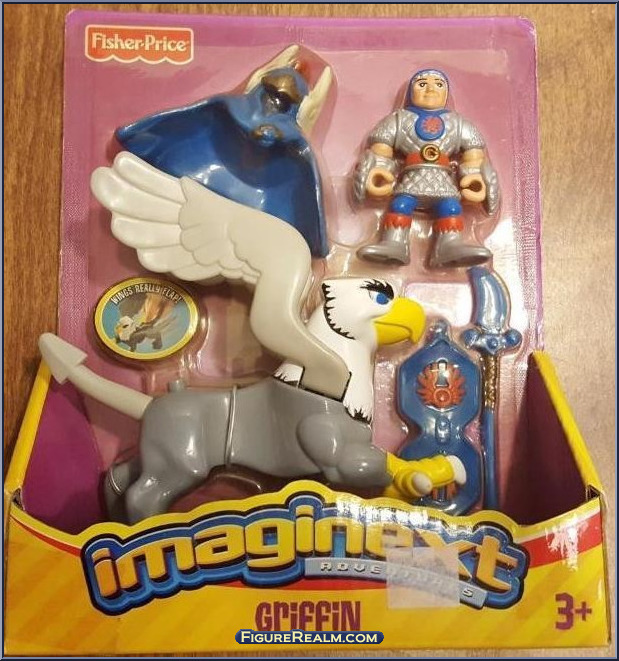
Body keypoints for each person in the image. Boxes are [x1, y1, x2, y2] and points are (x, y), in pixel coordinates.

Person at [353, 69, 499, 267]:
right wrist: (380, 172)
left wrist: (473, 179)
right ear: (410, 92)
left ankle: (448, 246)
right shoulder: (399, 120)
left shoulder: (458, 124)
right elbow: (381, 148)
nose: (430, 89)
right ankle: (394, 244)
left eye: (438, 84)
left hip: (443, 179)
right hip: (412, 177)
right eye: (422, 84)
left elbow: (474, 154)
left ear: (446, 93)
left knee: (451, 207)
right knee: (400, 205)